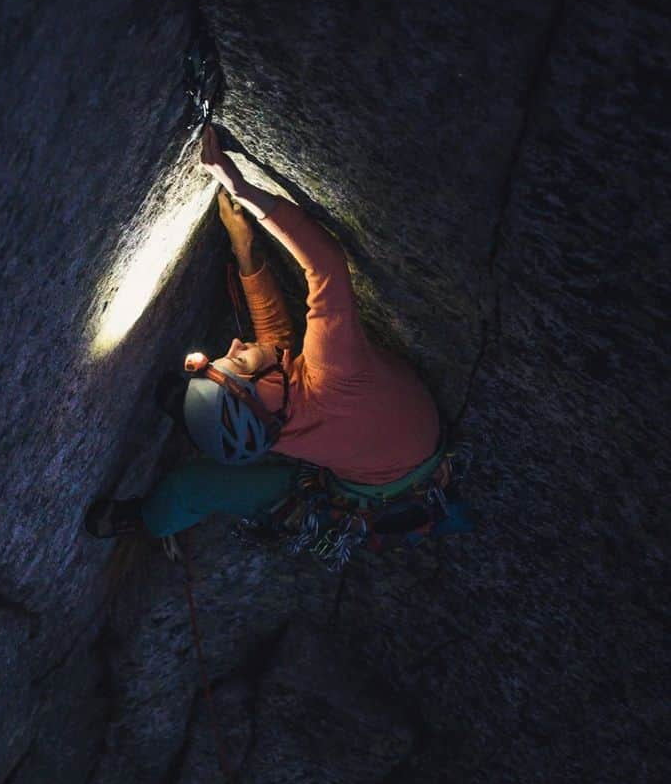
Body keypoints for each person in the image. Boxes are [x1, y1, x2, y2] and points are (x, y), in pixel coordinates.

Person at [85, 125, 443, 541]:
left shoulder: (278, 412)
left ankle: (148, 517)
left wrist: (243, 249)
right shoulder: (328, 376)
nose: (236, 344)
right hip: (380, 470)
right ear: (265, 394)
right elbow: (324, 265)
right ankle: (201, 426)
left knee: (192, 485)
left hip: (372, 478)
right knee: (192, 484)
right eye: (236, 360)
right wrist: (242, 189)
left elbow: (275, 344)